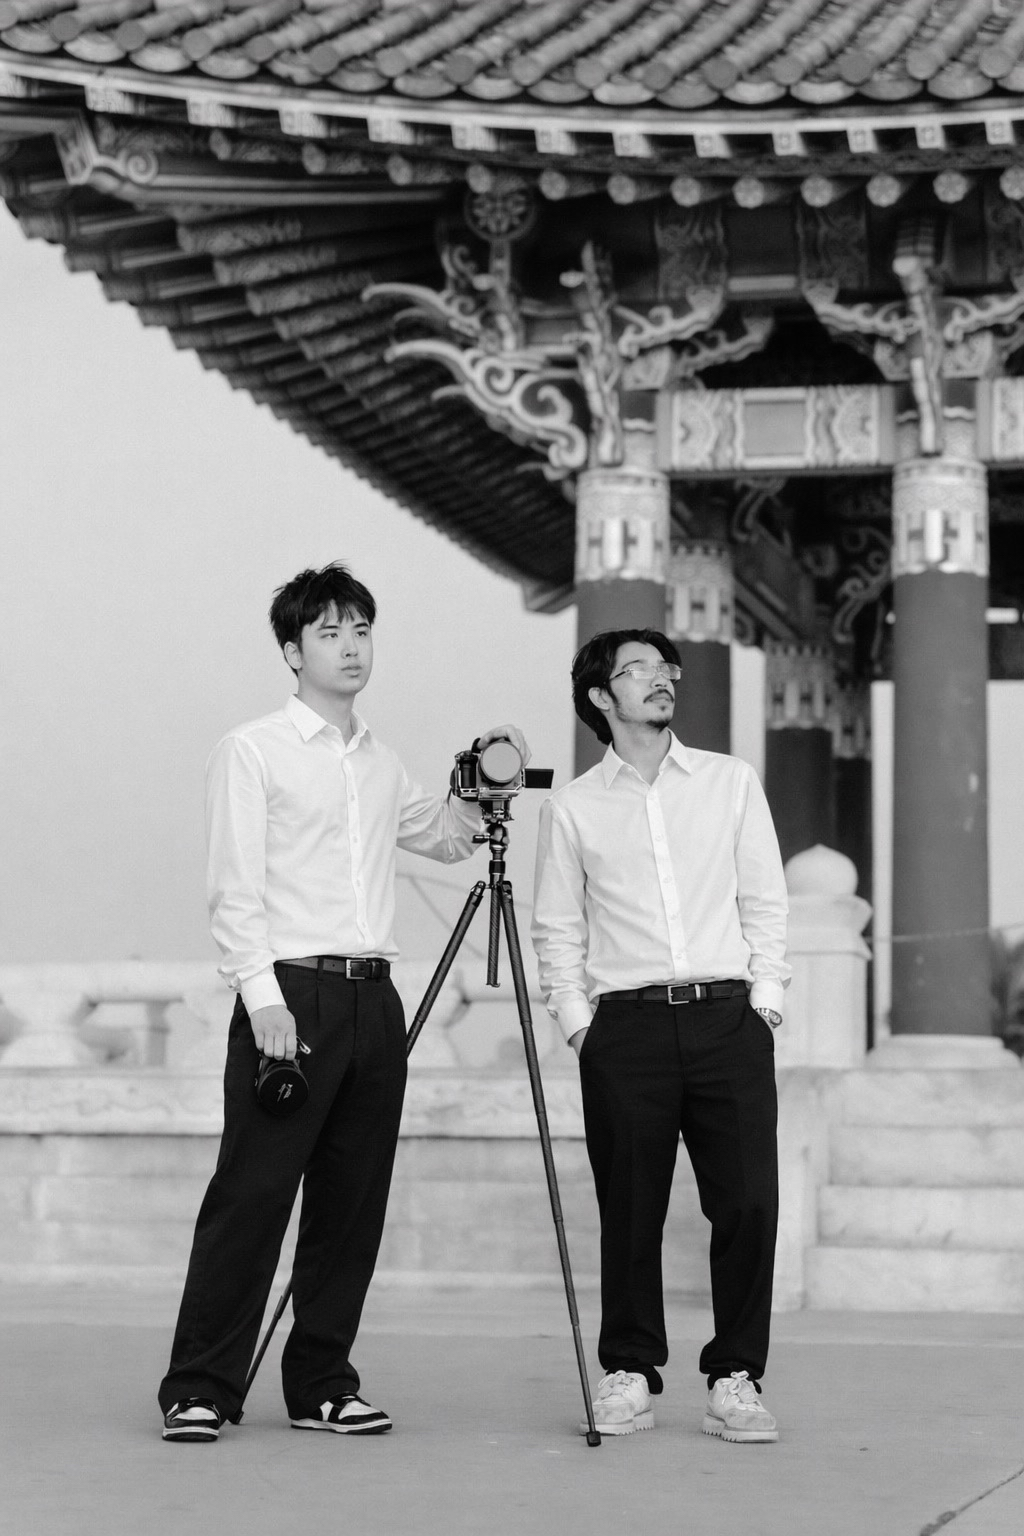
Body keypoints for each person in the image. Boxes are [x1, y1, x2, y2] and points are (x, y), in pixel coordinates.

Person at [159, 562, 528, 1443]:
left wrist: (484, 788)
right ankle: (200, 1385)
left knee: (352, 1201)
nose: (352, 645)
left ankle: (323, 1382)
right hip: (291, 994)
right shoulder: (252, 751)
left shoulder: (381, 759)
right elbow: (233, 890)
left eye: (361, 628)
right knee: (252, 1195)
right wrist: (263, 998)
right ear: (291, 652)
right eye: (329, 632)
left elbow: (438, 838)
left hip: (374, 1001)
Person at [531, 628, 789, 1444]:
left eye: (663, 667)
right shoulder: (573, 806)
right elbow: (556, 930)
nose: (658, 680)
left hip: (727, 1019)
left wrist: (766, 1002)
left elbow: (766, 898)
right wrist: (582, 1030)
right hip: (627, 1030)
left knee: (748, 1202)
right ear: (601, 699)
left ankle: (736, 1376)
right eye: (635, 671)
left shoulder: (729, 781)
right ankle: (629, 1370)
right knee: (631, 1207)